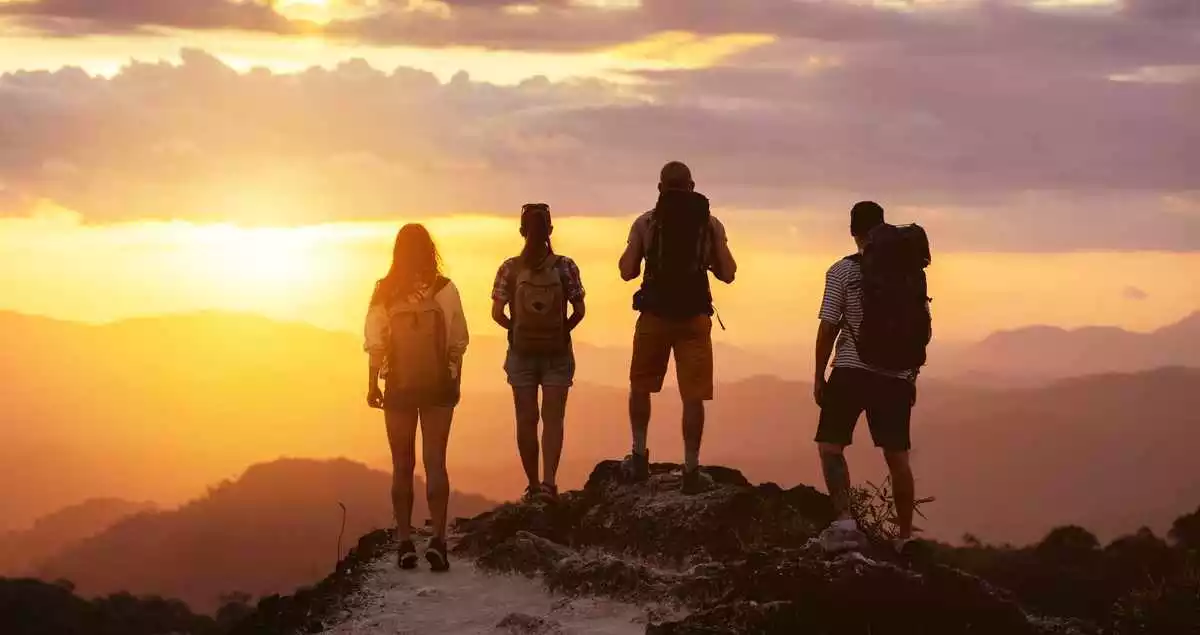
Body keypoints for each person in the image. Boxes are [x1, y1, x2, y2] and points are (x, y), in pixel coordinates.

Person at [813, 201, 931, 554]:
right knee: (897, 459)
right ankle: (905, 539)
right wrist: (910, 375)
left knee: (831, 447)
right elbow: (922, 328)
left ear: (853, 232)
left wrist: (819, 376)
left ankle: (846, 524)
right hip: (896, 377)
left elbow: (828, 326)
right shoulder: (910, 271)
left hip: (851, 371)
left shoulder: (842, 272)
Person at [618, 161, 737, 494]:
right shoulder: (710, 224)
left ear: (660, 187)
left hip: (654, 316)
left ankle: (639, 456)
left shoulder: (646, 222)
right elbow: (728, 272)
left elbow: (627, 270)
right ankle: (690, 469)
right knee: (693, 397)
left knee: (641, 386)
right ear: (692, 186)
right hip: (694, 319)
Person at [364, 224, 469, 572]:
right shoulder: (445, 289)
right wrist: (452, 377)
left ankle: (405, 542)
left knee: (402, 465)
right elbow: (458, 340)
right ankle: (438, 540)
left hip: (398, 385)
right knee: (436, 462)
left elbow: (376, 343)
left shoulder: (385, 291)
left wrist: (372, 385)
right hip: (439, 385)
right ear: (430, 250)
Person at [491, 203, 587, 503]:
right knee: (553, 419)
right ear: (550, 230)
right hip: (557, 351)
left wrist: (516, 330)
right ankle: (549, 484)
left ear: (522, 231)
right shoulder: (565, 266)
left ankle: (531, 486)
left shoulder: (509, 267)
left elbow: (496, 313)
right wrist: (561, 331)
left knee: (526, 419)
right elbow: (580, 310)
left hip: (521, 352)